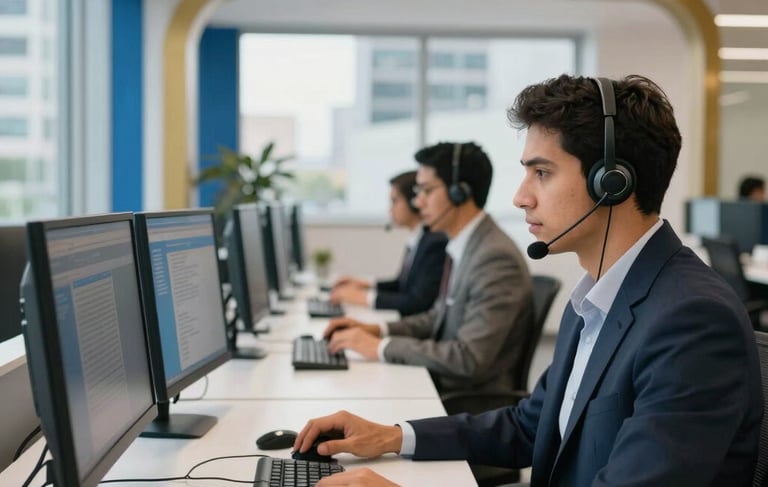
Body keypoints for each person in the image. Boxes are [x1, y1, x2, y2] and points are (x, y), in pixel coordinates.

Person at [294, 75, 763, 486]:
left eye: (542, 173)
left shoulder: (692, 320)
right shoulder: (597, 298)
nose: (520, 198)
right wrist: (395, 436)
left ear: (612, 183)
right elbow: (531, 425)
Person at [325, 141, 534, 404]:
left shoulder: (494, 258)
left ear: (461, 192)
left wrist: (379, 347)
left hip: (468, 401)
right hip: (441, 382)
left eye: (426, 190)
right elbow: (437, 317)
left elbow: (469, 359)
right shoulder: (464, 245)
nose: (417, 201)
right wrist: (377, 330)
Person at [330, 170, 448, 316]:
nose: (390, 209)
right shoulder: (419, 238)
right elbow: (401, 285)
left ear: (414, 202)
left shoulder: (434, 242)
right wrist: (365, 284)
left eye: (395, 201)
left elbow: (418, 301)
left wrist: (363, 297)